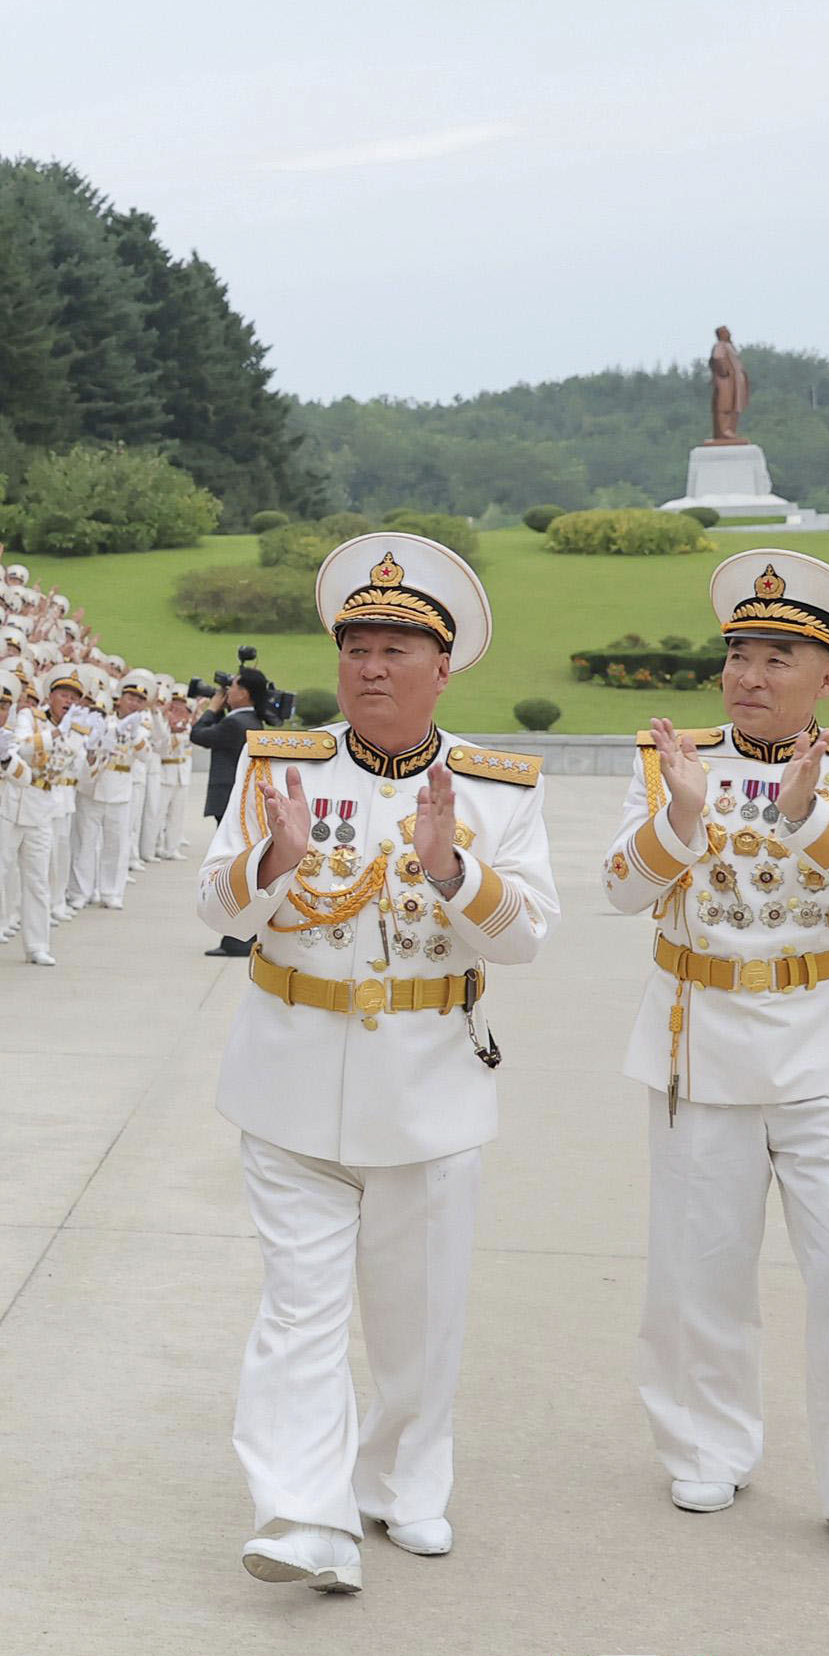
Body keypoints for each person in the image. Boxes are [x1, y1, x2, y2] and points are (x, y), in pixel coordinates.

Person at [195, 533, 555, 1594]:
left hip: (428, 1087)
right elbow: (212, 903)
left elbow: (528, 935)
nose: (370, 663)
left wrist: (453, 868)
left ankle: (404, 1482)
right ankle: (305, 1512)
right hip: (290, 1077)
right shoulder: (278, 769)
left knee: (418, 1316)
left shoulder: (499, 789)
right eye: (356, 642)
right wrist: (273, 857)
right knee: (299, 1305)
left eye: (397, 645)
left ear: (443, 667)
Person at [604, 553, 829, 1566]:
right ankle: (707, 1443)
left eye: (776, 656)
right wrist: (685, 813)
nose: (749, 674)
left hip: (826, 1045)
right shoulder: (671, 762)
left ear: (826, 677)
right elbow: (618, 885)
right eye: (738, 653)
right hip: (700, 1040)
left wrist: (810, 814)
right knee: (698, 1267)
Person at [189, 669, 273, 959]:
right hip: (237, 801)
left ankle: (237, 938)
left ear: (245, 693)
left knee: (233, 869)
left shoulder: (236, 723)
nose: (227, 693)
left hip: (229, 801)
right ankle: (239, 935)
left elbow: (198, 735)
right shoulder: (251, 721)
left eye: (232, 688)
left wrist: (212, 708)